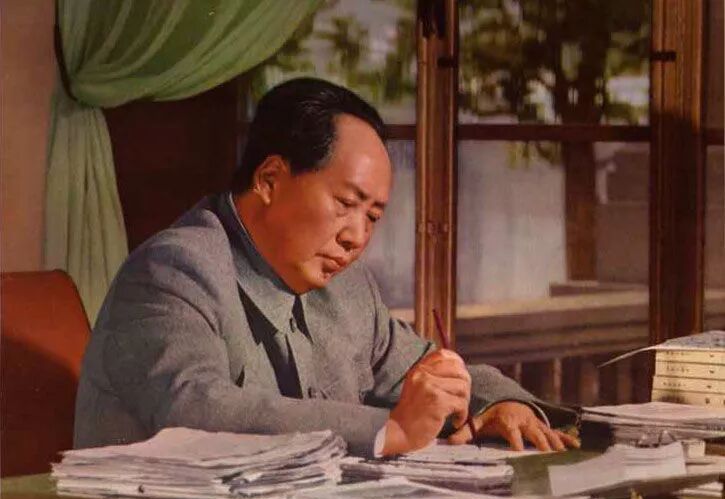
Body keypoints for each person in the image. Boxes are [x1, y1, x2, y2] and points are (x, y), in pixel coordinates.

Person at [75, 78, 578, 457]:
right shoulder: (174, 269)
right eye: (345, 203)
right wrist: (390, 431)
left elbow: (422, 369)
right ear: (270, 179)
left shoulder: (344, 285)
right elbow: (194, 409)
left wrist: (496, 403)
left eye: (373, 216)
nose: (357, 237)